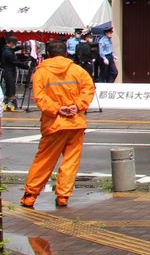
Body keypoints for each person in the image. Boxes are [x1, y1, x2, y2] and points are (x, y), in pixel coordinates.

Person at [21, 40, 96, 209]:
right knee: (70, 162)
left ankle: (30, 196)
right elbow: (89, 89)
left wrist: (57, 109)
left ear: (48, 54)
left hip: (54, 123)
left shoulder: (41, 73)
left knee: (44, 161)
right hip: (76, 122)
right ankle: (63, 196)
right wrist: (77, 106)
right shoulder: (78, 70)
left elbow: (40, 98)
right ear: (66, 53)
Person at [0, 36, 25, 110]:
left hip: (8, 71)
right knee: (11, 89)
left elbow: (14, 49)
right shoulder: (8, 52)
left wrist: (22, 46)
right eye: (15, 43)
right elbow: (15, 62)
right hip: (9, 71)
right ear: (11, 43)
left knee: (9, 89)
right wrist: (26, 67)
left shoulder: (6, 49)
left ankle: (7, 104)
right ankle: (12, 105)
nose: (15, 45)